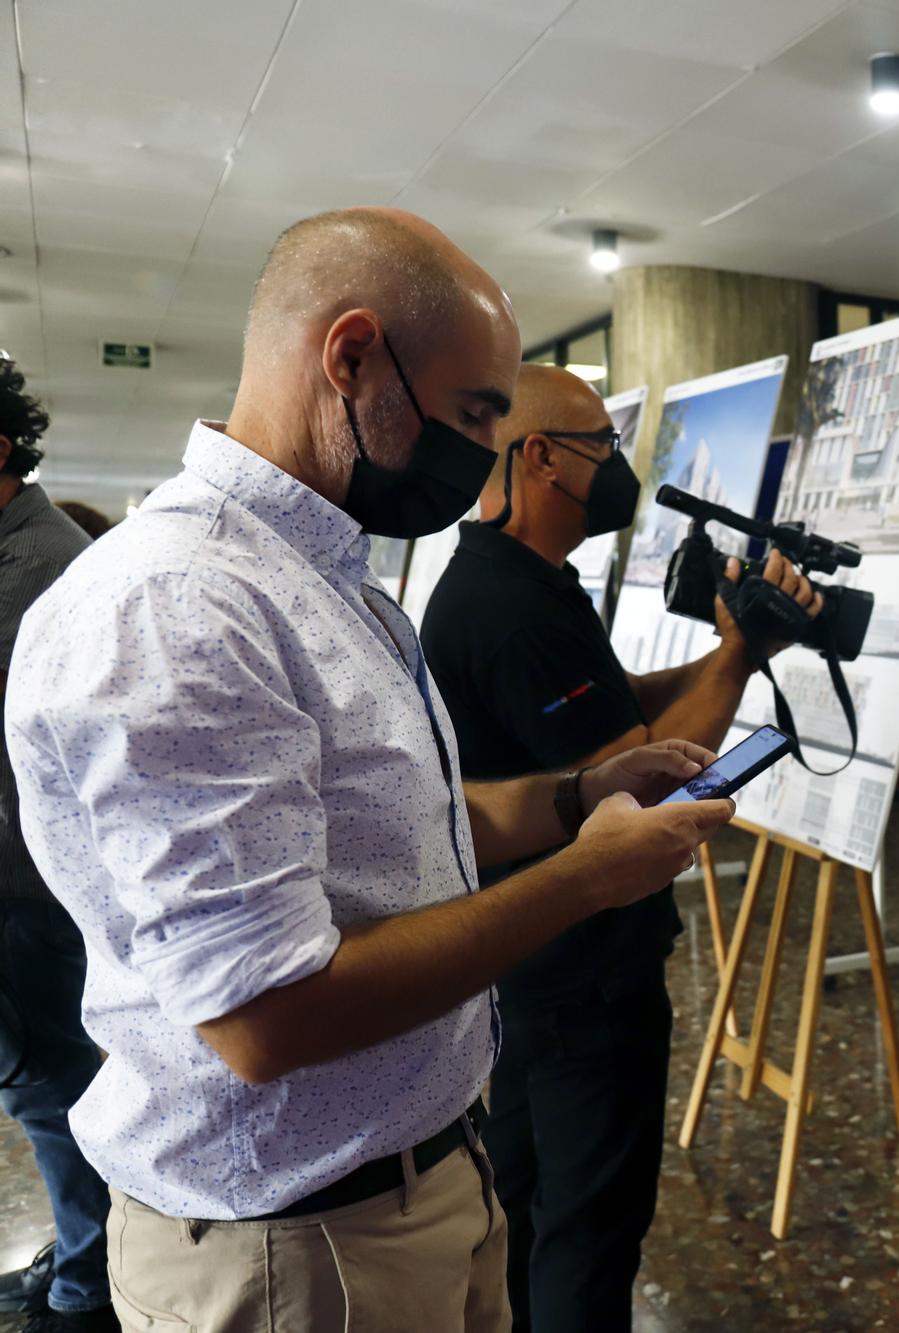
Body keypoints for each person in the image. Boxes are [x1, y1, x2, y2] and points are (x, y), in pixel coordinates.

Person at [3, 207, 735, 1332]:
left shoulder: (327, 579)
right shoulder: (183, 608)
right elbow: (266, 1017)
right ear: (351, 358)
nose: (490, 451)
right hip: (296, 1250)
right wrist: (585, 877)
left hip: (410, 1187)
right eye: (475, 410)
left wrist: (571, 797)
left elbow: (405, 826)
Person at [420, 363, 819, 1332]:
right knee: (591, 1218)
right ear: (542, 457)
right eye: (602, 446)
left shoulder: (525, 581)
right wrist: (737, 658)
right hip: (576, 972)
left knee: (523, 1196)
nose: (617, 468)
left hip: (532, 963)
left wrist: (731, 645)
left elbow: (615, 703)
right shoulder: (506, 609)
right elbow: (638, 782)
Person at [0, 358, 112, 1332]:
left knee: (58, 1099)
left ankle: (86, 1292)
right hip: (30, 896)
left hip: (35, 903)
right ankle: (76, 1263)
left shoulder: (33, 567)